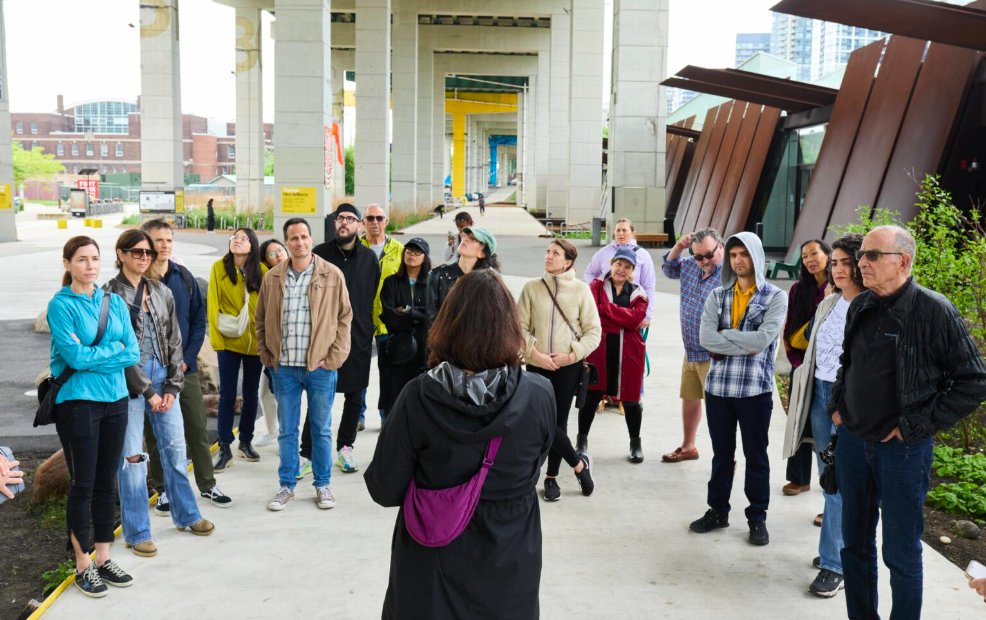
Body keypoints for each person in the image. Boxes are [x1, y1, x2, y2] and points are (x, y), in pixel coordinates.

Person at [365, 269, 555, 619]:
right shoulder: (540, 394)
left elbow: (383, 487)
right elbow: (534, 463)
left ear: (448, 322)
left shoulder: (418, 398)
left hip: (433, 560)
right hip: (511, 558)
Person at [829, 225, 986, 619]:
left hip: (902, 451)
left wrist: (916, 425)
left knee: (900, 553)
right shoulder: (861, 305)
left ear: (904, 261)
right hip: (852, 443)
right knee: (854, 547)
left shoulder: (934, 310)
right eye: (862, 254)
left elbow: (973, 381)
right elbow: (847, 364)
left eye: (872, 256)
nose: (861, 262)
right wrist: (838, 405)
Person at [106, 229, 215, 559]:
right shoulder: (110, 295)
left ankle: (187, 514)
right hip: (129, 384)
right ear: (121, 254)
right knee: (133, 459)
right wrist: (148, 390)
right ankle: (137, 531)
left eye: (147, 253)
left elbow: (174, 341)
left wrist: (171, 386)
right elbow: (119, 351)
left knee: (176, 450)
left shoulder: (160, 291)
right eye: (136, 252)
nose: (143, 258)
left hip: (164, 377)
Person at [48, 236, 139, 597]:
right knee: (83, 484)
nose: (90, 265)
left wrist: (99, 353)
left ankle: (103, 557)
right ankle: (82, 563)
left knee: (106, 483)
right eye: (82, 259)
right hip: (78, 403)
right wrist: (109, 351)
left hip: (116, 400)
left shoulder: (113, 301)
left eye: (95, 259)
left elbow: (131, 350)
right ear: (68, 263)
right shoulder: (60, 306)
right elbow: (75, 359)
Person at [690, 231, 787, 546]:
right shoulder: (717, 296)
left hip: (754, 391)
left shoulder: (774, 297)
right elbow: (706, 338)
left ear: (756, 256)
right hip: (718, 389)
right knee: (721, 455)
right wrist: (742, 341)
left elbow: (762, 341)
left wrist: (726, 336)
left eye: (743, 254)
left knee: (756, 455)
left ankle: (757, 517)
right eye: (733, 255)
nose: (738, 260)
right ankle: (717, 510)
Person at [783, 233, 863, 598]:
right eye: (837, 263)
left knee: (838, 483)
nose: (840, 269)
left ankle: (834, 563)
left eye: (848, 262)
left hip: (849, 406)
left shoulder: (873, 306)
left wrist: (845, 405)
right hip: (819, 397)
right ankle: (841, 547)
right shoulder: (828, 305)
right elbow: (811, 352)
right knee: (827, 474)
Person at [257, 218, 353, 511]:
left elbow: (344, 318)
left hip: (320, 368)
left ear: (311, 239)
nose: (299, 242)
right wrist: (266, 354)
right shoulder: (273, 277)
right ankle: (286, 486)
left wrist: (334, 358)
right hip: (284, 367)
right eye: (293, 238)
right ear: (286, 243)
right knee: (287, 429)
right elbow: (260, 319)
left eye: (304, 237)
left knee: (321, 428)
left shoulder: (332, 275)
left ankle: (323, 485)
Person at [141, 219, 232, 514]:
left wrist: (188, 360)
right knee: (156, 433)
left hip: (184, 370)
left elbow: (197, 323)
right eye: (158, 240)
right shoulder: (138, 281)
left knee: (196, 427)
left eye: (168, 240)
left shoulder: (184, 277)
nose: (164, 245)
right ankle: (164, 489)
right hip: (151, 371)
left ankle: (207, 484)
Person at [518, 239, 601, 502]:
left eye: (555, 253)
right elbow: (519, 328)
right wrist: (536, 355)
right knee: (538, 422)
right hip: (536, 365)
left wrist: (570, 355)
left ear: (568, 261)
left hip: (568, 368)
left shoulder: (581, 291)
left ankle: (551, 477)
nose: (548, 256)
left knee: (558, 422)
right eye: (547, 251)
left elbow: (593, 332)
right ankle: (578, 464)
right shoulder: (531, 288)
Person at [309, 203, 380, 474]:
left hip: (358, 336)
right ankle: (308, 450)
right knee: (319, 394)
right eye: (340, 218)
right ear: (335, 222)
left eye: (350, 219)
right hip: (323, 337)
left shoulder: (368, 258)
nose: (344, 223)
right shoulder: (320, 255)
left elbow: (370, 292)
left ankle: (345, 448)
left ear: (359, 225)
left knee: (354, 394)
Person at [576, 248, 648, 463]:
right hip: (600, 350)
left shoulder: (638, 292)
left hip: (629, 352)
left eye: (627, 267)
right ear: (611, 264)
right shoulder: (596, 286)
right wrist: (620, 315)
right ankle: (581, 441)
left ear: (632, 270)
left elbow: (636, 319)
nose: (621, 270)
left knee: (632, 401)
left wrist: (606, 309)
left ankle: (635, 442)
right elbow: (590, 312)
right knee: (591, 396)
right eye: (619, 264)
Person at [660, 228, 724, 462]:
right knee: (689, 397)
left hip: (714, 354)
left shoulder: (729, 275)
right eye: (698, 257)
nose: (704, 261)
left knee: (718, 409)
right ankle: (688, 446)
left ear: (721, 246)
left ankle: (725, 456)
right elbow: (668, 268)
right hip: (691, 350)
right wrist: (678, 247)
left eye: (709, 255)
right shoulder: (690, 266)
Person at [207, 227, 267, 471]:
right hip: (229, 342)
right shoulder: (219, 268)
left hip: (255, 343)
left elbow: (267, 308)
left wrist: (266, 342)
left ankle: (245, 441)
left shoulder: (262, 271)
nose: (237, 241)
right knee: (227, 396)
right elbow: (212, 305)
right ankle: (224, 446)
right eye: (234, 237)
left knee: (251, 395)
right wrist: (217, 343)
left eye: (243, 238)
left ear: (252, 245)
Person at [781, 239, 832, 497]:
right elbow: (789, 331)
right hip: (802, 366)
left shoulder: (838, 288)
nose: (810, 259)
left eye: (814, 253)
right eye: (804, 256)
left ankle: (830, 489)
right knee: (799, 420)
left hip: (830, 369)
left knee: (828, 432)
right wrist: (799, 365)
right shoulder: (799, 289)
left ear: (827, 255)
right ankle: (799, 478)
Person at [360, 204, 405, 429]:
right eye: (370, 218)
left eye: (379, 218)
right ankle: (357, 416)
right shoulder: (355, 247)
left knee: (387, 372)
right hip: (359, 319)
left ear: (386, 221)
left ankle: (386, 415)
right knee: (357, 369)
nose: (374, 222)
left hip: (387, 321)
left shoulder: (399, 249)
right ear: (363, 222)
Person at [378, 238, 431, 418]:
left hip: (425, 346)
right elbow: (390, 316)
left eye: (417, 252)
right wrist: (418, 316)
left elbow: (434, 316)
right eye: (408, 251)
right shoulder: (391, 282)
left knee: (421, 394)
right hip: (398, 346)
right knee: (394, 393)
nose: (412, 255)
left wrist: (409, 311)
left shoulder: (432, 283)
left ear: (425, 258)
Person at [584, 218, 656, 330]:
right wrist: (596, 291)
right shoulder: (604, 252)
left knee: (631, 344)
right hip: (606, 310)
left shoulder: (643, 255)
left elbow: (649, 286)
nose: (620, 233)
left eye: (624, 230)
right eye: (618, 230)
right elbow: (590, 273)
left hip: (632, 310)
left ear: (632, 233)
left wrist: (647, 315)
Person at [255, 238, 290, 447]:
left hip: (291, 349)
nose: (278, 255)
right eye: (271, 254)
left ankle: (285, 438)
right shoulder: (268, 279)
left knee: (286, 398)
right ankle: (273, 432)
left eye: (280, 250)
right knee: (265, 393)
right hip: (272, 348)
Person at [427, 225, 498, 326]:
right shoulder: (437, 275)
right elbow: (431, 319)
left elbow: (490, 322)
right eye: (466, 236)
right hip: (442, 339)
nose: (465, 239)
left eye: (473, 239)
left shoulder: (489, 282)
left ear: (482, 253)